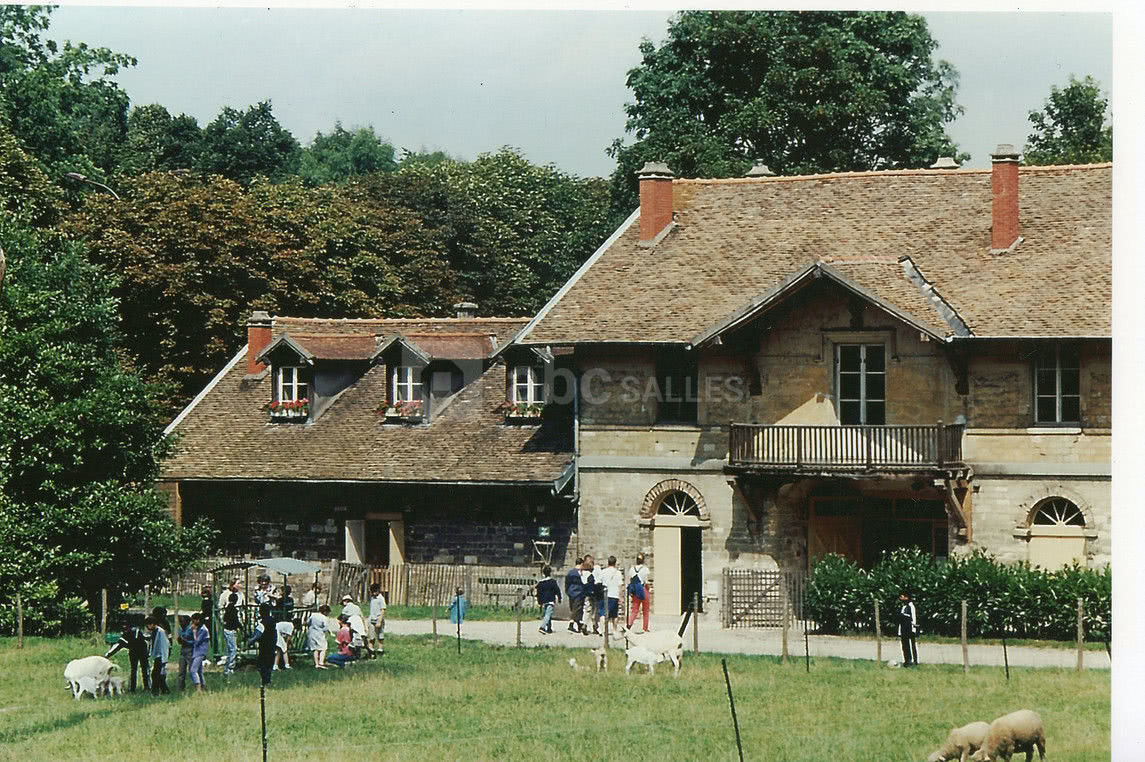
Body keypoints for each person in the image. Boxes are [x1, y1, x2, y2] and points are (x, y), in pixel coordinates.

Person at [105, 621, 150, 692]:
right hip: (133, 652)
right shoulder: (125, 636)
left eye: (126, 628)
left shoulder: (136, 632)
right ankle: (133, 688)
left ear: (130, 627)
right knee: (134, 670)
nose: (125, 630)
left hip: (142, 651)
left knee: (144, 670)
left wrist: (148, 652)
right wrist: (107, 655)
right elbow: (117, 646)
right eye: (123, 629)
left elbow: (147, 640)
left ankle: (146, 687)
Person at [246, 604, 278, 686]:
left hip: (264, 647)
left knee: (262, 665)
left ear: (261, 612)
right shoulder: (273, 621)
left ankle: (265, 681)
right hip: (272, 645)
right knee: (269, 665)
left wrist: (249, 642)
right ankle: (268, 681)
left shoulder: (262, 623)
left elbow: (257, 635)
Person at [597, 556, 623, 636]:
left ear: (608, 562)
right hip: (614, 595)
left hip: (604, 595)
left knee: (603, 613)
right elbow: (620, 585)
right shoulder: (618, 573)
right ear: (615, 563)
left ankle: (603, 630)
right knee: (614, 615)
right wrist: (621, 596)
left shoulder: (603, 571)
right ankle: (614, 630)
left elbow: (598, 582)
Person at [626, 552, 651, 634]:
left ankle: (629, 624)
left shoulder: (632, 569)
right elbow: (646, 581)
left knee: (635, 610)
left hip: (636, 590)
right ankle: (645, 628)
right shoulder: (645, 569)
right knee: (645, 610)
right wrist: (649, 588)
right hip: (643, 589)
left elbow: (630, 580)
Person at [146, 615, 170, 695]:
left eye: (148, 625)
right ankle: (164, 690)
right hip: (157, 656)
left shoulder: (160, 632)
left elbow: (164, 645)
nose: (147, 627)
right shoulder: (154, 631)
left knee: (155, 675)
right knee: (158, 675)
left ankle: (156, 691)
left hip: (161, 656)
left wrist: (164, 659)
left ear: (153, 624)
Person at [535, 565, 561, 634]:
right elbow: (557, 590)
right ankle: (542, 627)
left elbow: (538, 593)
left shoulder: (541, 583)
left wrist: (539, 601)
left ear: (543, 573)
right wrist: (559, 598)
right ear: (550, 572)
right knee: (548, 614)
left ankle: (549, 628)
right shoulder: (553, 582)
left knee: (548, 613)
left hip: (544, 600)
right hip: (550, 600)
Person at [221, 591, 241, 676]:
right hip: (230, 630)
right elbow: (235, 620)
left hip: (226, 629)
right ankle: (230, 667)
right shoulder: (233, 610)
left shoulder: (227, 608)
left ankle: (227, 667)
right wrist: (240, 626)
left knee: (229, 649)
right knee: (233, 649)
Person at [189, 611, 209, 693]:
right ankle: (203, 686)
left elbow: (197, 641)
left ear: (198, 620)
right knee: (199, 671)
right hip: (197, 652)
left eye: (193, 620)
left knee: (193, 670)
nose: (192, 623)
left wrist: (194, 631)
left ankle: (198, 688)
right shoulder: (200, 629)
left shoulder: (203, 630)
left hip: (200, 652)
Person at [564, 558, 585, 634]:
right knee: (577, 609)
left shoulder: (570, 572)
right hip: (578, 592)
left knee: (574, 608)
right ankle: (571, 623)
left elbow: (567, 583)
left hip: (571, 592)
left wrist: (567, 591)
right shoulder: (579, 573)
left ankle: (579, 624)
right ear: (581, 564)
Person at [580, 555, 600, 636]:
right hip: (593, 593)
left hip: (587, 593)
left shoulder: (583, 573)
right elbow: (596, 581)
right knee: (594, 610)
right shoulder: (589, 573)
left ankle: (585, 624)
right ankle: (594, 626)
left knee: (587, 610)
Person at [898, 590, 918, 667]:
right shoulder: (904, 607)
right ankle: (906, 660)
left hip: (909, 629)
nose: (900, 598)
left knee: (910, 645)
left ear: (906, 597)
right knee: (905, 646)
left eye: (902, 596)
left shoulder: (911, 606)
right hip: (903, 629)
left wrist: (913, 629)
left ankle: (912, 661)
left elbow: (913, 618)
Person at [308, 604, 332, 669]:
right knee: (323, 648)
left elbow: (308, 622)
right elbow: (326, 627)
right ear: (325, 612)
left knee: (315, 649)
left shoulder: (313, 615)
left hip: (311, 632)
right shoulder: (324, 618)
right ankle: (321, 662)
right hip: (319, 633)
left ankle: (316, 663)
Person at [367, 584, 386, 659]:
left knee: (380, 635)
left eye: (375, 591)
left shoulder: (381, 598)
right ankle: (371, 651)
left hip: (378, 619)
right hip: (372, 619)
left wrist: (379, 621)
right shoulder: (372, 598)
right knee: (371, 636)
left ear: (378, 590)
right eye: (372, 592)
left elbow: (383, 610)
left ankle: (380, 650)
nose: (374, 593)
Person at [175, 615, 194, 691]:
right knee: (181, 671)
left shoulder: (191, 629)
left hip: (190, 650)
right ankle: (181, 688)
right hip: (183, 650)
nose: (181, 624)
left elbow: (195, 641)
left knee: (192, 670)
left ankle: (196, 686)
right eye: (180, 622)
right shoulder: (181, 629)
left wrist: (187, 642)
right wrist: (180, 641)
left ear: (187, 622)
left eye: (182, 622)